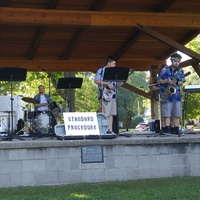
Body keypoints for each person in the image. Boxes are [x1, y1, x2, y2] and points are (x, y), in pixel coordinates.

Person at [157, 53, 185, 136]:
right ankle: (167, 129)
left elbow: (182, 82)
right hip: (166, 94)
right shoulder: (165, 69)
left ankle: (176, 129)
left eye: (178, 62)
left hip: (176, 95)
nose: (177, 63)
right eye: (175, 61)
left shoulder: (180, 71)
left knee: (177, 113)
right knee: (166, 113)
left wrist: (176, 82)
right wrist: (167, 81)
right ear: (172, 60)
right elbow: (158, 81)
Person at [94, 57, 119, 134]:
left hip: (113, 94)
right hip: (104, 94)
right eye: (113, 63)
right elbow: (96, 80)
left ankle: (110, 130)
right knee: (105, 113)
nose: (115, 65)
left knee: (111, 114)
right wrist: (107, 83)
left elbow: (116, 85)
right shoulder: (101, 71)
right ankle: (104, 130)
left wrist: (122, 82)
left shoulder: (115, 72)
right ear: (109, 63)